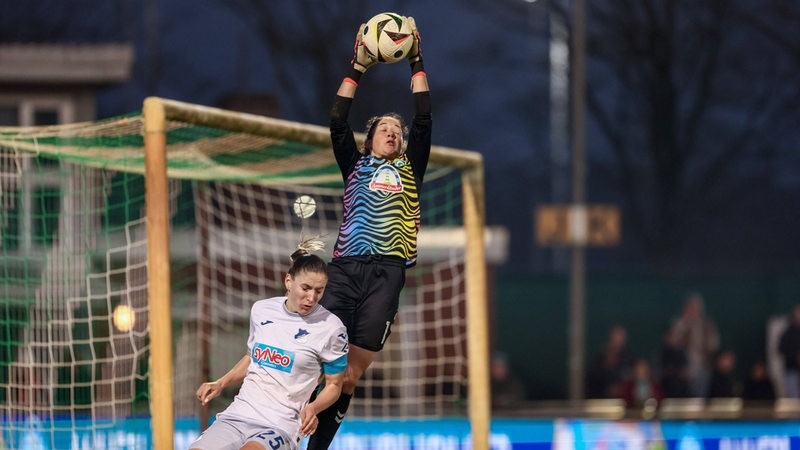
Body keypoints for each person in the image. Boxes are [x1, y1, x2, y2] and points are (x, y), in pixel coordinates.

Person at [306, 16, 431, 450]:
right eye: (384, 129)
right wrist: (356, 69)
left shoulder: (410, 168)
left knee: (350, 373)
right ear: (370, 140)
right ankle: (281, 426)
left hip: (388, 275)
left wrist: (415, 59)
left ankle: (318, 446)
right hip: (345, 270)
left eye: (398, 130)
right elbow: (338, 121)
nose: (393, 133)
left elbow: (425, 117)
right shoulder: (355, 166)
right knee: (315, 362)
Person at [189, 239, 349, 450]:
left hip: (280, 425)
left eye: (319, 291)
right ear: (288, 281)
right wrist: (221, 383)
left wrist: (314, 408)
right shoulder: (261, 310)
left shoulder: (331, 328)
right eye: (306, 288)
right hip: (239, 413)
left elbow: (334, 385)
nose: (312, 297)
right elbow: (251, 357)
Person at [668, 291, 720, 397]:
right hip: (682, 368)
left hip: (702, 367)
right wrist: (685, 327)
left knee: (700, 397)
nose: (692, 310)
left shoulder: (707, 324)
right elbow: (672, 343)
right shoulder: (679, 322)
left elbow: (714, 344)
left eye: (695, 308)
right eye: (690, 307)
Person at [585, 325, 634, 399]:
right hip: (600, 401)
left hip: (624, 403)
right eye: (614, 340)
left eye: (620, 339)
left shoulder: (630, 360)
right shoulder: (598, 361)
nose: (617, 343)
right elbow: (591, 383)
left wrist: (621, 389)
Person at [778, 305, 800, 398]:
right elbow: (781, 349)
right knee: (794, 398)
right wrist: (795, 356)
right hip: (792, 370)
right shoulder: (788, 332)